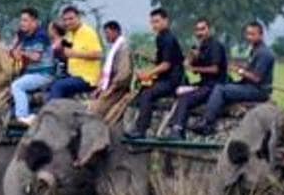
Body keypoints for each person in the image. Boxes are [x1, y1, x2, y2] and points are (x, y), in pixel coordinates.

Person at [192, 22, 275, 136]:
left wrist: (240, 71)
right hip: (249, 86)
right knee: (226, 83)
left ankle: (207, 122)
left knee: (220, 89)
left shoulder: (264, 53)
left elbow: (256, 78)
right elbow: (251, 70)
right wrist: (240, 68)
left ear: (261, 35)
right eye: (247, 34)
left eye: (252, 34)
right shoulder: (255, 50)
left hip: (257, 90)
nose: (249, 37)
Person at [125, 8, 185, 139]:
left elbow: (166, 64)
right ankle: (135, 124)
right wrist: (146, 58)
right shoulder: (160, 38)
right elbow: (162, 60)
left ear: (166, 21)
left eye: (157, 21)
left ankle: (141, 130)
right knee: (142, 90)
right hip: (164, 78)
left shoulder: (168, 39)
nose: (154, 25)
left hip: (172, 80)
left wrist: (148, 74)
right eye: (152, 22)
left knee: (147, 93)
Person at [166, 18, 227, 139]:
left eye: (203, 29)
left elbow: (215, 69)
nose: (200, 33)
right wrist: (192, 58)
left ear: (209, 29)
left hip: (214, 85)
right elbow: (191, 66)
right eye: (197, 30)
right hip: (203, 84)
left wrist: (194, 68)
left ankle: (177, 130)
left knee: (186, 98)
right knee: (180, 91)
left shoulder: (215, 46)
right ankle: (175, 126)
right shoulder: (201, 47)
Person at [9, 7, 55, 126]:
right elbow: (14, 52)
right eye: (21, 20)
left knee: (17, 86)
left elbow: (36, 57)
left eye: (25, 20)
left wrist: (22, 52)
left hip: (43, 74)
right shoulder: (25, 36)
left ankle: (23, 116)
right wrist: (15, 48)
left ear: (34, 22)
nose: (22, 23)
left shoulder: (40, 36)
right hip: (31, 73)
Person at [47, 6, 103, 100]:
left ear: (79, 17)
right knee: (50, 84)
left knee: (58, 86)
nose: (68, 22)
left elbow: (98, 55)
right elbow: (65, 52)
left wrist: (75, 54)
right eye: (65, 20)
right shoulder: (71, 34)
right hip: (72, 75)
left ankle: (53, 112)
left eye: (71, 19)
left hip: (86, 78)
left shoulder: (87, 32)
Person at [89, 21, 133, 121]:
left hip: (118, 89)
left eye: (107, 33)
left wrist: (111, 88)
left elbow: (124, 73)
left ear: (116, 32)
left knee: (95, 110)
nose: (106, 37)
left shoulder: (123, 49)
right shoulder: (114, 48)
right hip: (110, 87)